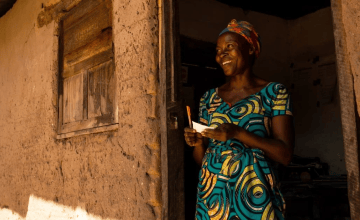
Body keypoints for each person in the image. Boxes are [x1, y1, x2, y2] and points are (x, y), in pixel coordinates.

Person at [184, 19, 294, 220]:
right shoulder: (209, 99)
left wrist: (237, 133)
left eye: (230, 47)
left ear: (250, 49)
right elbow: (203, 161)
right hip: (213, 199)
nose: (221, 55)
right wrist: (198, 144)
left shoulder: (274, 93)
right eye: (218, 50)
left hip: (256, 199)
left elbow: (285, 155)